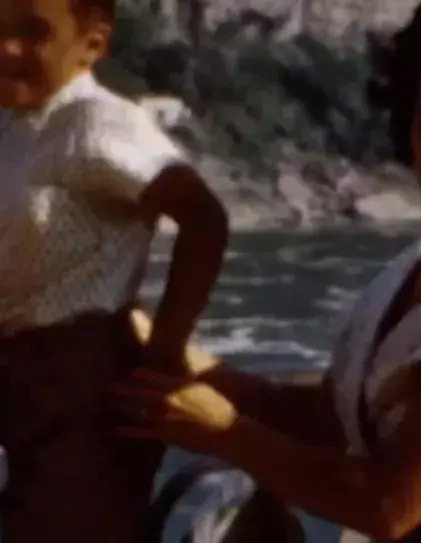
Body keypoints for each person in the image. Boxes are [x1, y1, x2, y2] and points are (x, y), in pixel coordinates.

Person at [114, 1, 421, 541]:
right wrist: (178, 355)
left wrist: (221, 432)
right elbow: (324, 423)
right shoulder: (414, 270)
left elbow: (387, 505)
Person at [0, 0, 229, 540]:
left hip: (83, 387)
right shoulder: (14, 124)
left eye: (33, 32)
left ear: (93, 44)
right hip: (22, 380)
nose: (6, 49)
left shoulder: (97, 123)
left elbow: (204, 219)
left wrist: (165, 350)